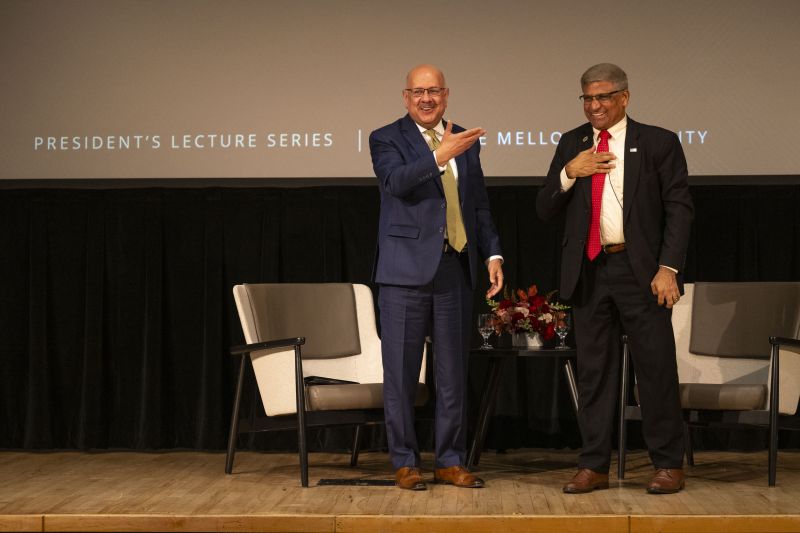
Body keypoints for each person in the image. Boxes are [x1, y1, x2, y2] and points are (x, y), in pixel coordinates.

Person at [536, 63, 693, 494]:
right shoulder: (572, 143)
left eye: (603, 97)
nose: (595, 105)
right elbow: (544, 207)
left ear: (624, 97)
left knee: (655, 368)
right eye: (588, 98)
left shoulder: (658, 142)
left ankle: (667, 464)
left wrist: (669, 268)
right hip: (589, 271)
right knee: (594, 374)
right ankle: (594, 465)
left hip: (641, 271)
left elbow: (679, 208)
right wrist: (571, 173)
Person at [369, 64, 504, 490]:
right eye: (418, 92)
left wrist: (492, 253)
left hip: (454, 267)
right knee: (403, 375)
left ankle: (449, 460)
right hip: (403, 272)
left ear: (446, 96)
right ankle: (405, 462)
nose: (426, 99)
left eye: (434, 92)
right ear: (405, 97)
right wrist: (439, 156)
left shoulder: (464, 138)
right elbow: (395, 182)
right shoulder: (386, 137)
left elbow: (477, 201)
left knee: (452, 375)